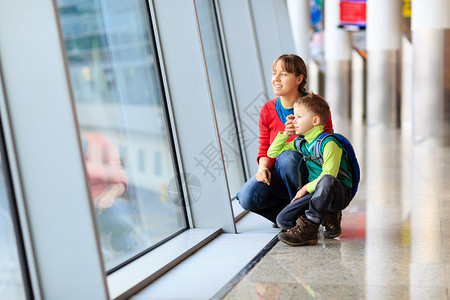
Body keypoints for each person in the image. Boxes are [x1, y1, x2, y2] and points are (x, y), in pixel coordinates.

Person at [236, 54, 333, 224]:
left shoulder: (315, 105)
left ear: (299, 79)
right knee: (247, 197)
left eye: (283, 74)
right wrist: (262, 168)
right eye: (274, 73)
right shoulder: (268, 109)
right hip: (279, 175)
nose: (276, 79)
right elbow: (265, 147)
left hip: (309, 173)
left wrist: (299, 133)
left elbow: (327, 141)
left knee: (288, 157)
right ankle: (295, 219)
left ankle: (307, 213)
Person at [267, 93, 353, 246]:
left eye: (299, 117)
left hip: (338, 193)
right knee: (283, 220)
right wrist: (285, 134)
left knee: (326, 180)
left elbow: (329, 176)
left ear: (315, 120)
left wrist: (305, 188)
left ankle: (311, 226)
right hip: (316, 193)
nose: (294, 120)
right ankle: (327, 214)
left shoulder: (329, 143)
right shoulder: (302, 143)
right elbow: (272, 153)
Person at [82, 133, 138, 252]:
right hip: (84, 212)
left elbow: (121, 181)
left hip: (104, 207)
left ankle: (121, 238)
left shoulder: (100, 142)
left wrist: (108, 196)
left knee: (120, 216)